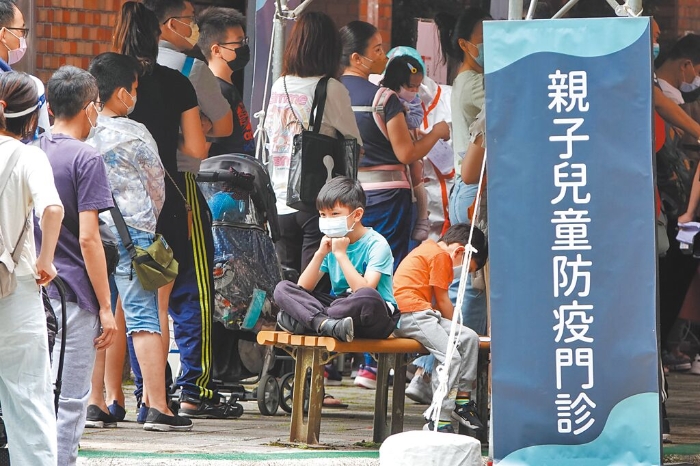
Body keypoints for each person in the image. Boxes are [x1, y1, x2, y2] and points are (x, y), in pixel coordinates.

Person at [113, 1, 236, 420]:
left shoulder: (107, 75)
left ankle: (117, 396)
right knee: (171, 294)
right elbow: (206, 143)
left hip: (109, 199)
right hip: (169, 189)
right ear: (163, 27)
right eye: (189, 20)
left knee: (118, 302)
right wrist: (186, 131)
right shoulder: (183, 75)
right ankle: (176, 395)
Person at [35, 66, 118, 464]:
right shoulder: (87, 158)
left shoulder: (32, 149)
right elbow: (89, 238)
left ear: (50, 107)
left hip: (32, 289)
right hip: (71, 291)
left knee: (34, 391)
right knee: (69, 396)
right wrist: (106, 306)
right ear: (89, 108)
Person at [83, 52, 169, 431]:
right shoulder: (135, 133)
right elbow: (156, 184)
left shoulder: (79, 130)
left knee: (96, 315)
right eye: (134, 88)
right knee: (143, 317)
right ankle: (158, 407)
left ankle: (95, 402)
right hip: (133, 233)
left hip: (90, 233)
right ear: (121, 93)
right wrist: (148, 220)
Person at [339, 20, 449, 269]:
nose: (384, 56)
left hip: (342, 196)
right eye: (377, 50)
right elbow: (407, 153)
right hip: (386, 198)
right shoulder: (383, 98)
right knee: (384, 267)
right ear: (357, 58)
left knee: (351, 265)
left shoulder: (328, 92)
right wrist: (436, 133)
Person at [264, 11, 362, 279]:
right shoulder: (331, 88)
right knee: (313, 286)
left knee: (286, 286)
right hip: (317, 202)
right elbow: (354, 146)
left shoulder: (279, 85)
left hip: (279, 200)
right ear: (331, 49)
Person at [0, 70, 63, 466]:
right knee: (28, 397)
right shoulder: (29, 156)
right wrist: (45, 260)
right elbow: (52, 209)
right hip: (15, 287)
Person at [274, 177, 398, 343]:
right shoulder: (330, 243)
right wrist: (320, 254)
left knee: (368, 297)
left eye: (334, 214)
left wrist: (341, 255)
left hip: (372, 313)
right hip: (340, 310)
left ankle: (310, 320)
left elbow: (364, 289)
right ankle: (324, 324)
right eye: (323, 215)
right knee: (282, 289)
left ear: (357, 214)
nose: (328, 220)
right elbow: (303, 287)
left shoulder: (376, 244)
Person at [392, 223, 487, 433]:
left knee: (469, 337)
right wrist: (454, 327)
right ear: (460, 251)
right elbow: (443, 300)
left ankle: (462, 400)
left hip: (424, 314)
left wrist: (457, 330)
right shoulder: (440, 256)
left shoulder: (432, 249)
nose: (462, 273)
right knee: (451, 357)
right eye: (467, 268)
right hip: (411, 314)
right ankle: (439, 418)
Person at [435, 7, 492, 337]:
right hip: (475, 190)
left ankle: (443, 357)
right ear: (464, 44)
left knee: (467, 278)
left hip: (466, 189)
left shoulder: (463, 79)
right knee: (471, 282)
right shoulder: (476, 83)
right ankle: (450, 355)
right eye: (485, 39)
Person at [143, 0, 233, 172]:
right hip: (178, 174)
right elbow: (224, 126)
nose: (195, 26)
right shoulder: (191, 68)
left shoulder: (126, 64)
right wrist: (195, 127)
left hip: (132, 175)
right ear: (173, 24)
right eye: (191, 18)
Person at [381, 54, 431, 242]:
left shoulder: (414, 101)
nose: (415, 91)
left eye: (418, 86)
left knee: (417, 170)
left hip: (408, 140)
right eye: (411, 87)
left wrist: (403, 114)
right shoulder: (384, 98)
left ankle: (423, 217)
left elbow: (415, 120)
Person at [197, 6, 255, 156]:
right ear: (216, 50)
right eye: (239, 42)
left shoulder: (225, 86)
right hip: (225, 169)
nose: (244, 47)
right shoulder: (214, 90)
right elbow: (202, 151)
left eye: (244, 41)